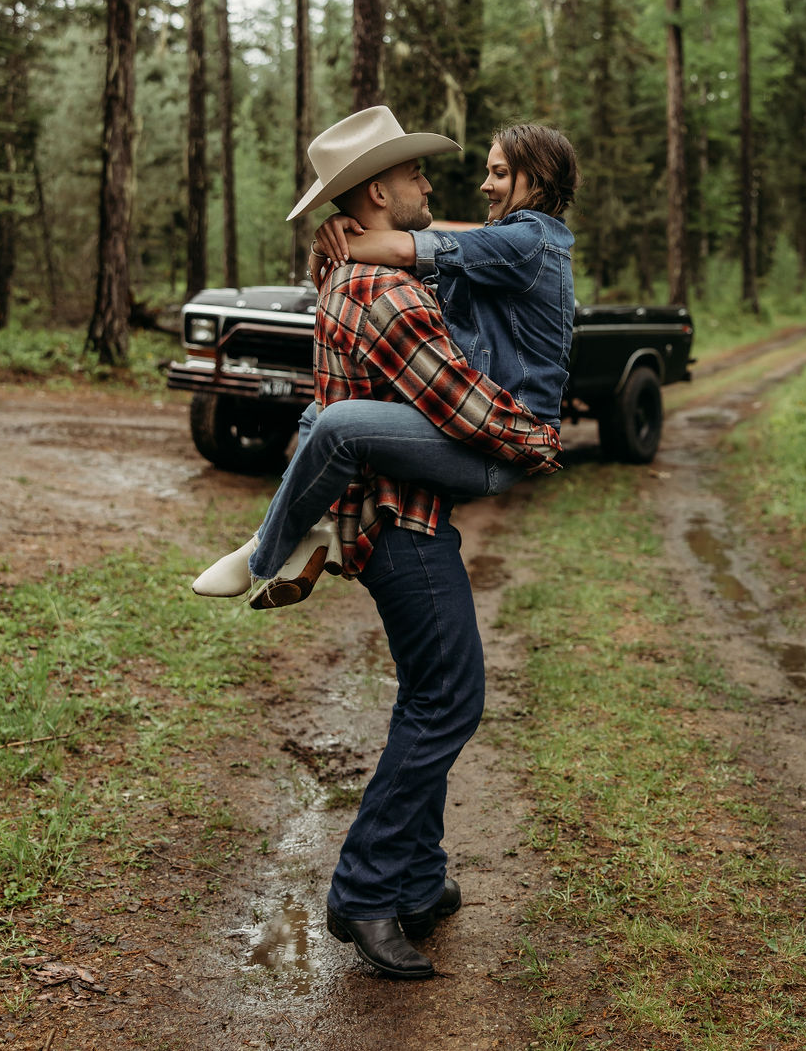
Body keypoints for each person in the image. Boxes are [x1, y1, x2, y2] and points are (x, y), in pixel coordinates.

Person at [194, 106, 576, 982]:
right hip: (403, 523)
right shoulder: (383, 289)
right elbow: (462, 405)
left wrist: (364, 240)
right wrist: (536, 443)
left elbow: (454, 248)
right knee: (451, 701)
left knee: (431, 696)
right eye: (414, 177)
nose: (432, 187)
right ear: (378, 190)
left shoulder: (379, 272)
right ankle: (367, 887)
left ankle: (418, 876)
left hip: (393, 517)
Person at [192, 116, 578, 609]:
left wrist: (334, 243)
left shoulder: (532, 240)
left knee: (339, 425)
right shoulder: (503, 243)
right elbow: (431, 246)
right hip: (474, 426)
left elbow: (404, 245)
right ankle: (318, 528)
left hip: (503, 441)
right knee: (317, 414)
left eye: (499, 173)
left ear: (538, 178)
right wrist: (332, 237)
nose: (484, 184)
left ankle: (261, 557)